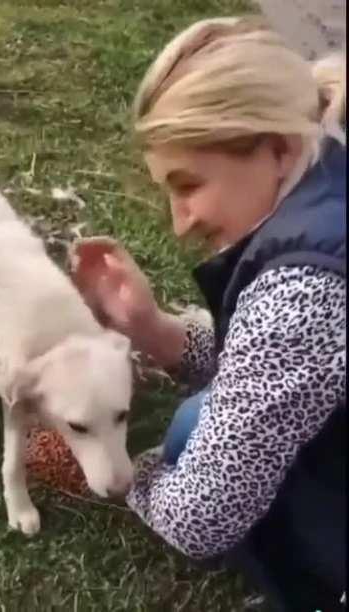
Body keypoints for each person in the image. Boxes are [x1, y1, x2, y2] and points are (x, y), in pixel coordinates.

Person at [71, 16, 346, 612]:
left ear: (278, 149)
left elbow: (201, 520)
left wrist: (129, 478)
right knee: (202, 420)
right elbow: (286, 371)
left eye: (188, 184)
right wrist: (155, 331)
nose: (180, 223)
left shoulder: (305, 288)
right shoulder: (330, 180)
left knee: (189, 436)